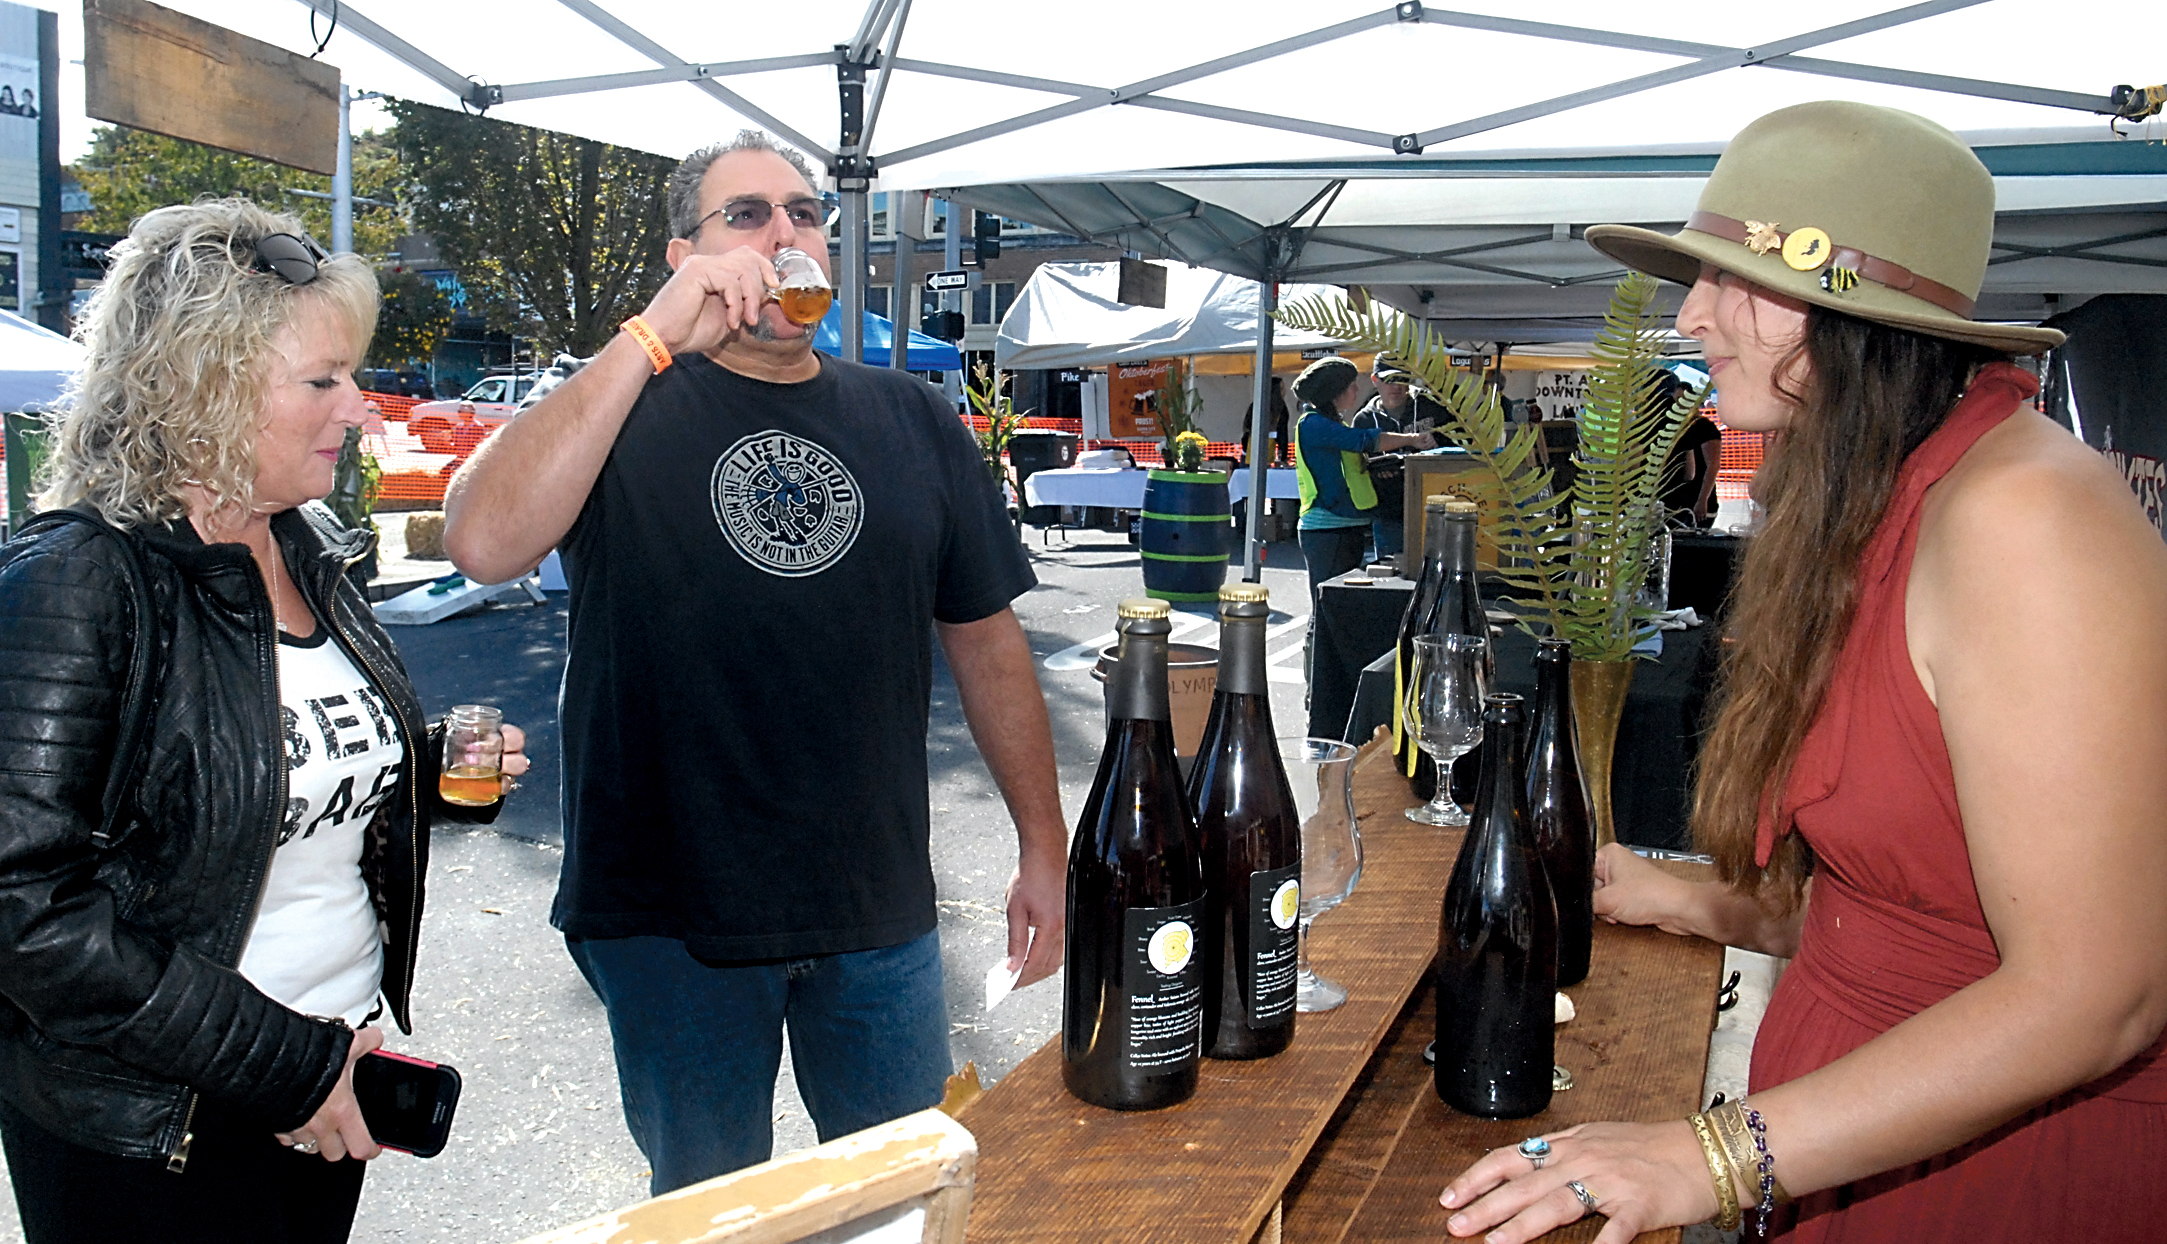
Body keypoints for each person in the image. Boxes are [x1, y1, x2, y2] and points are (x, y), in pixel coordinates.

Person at [1437, 101, 2167, 1244]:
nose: (1691, 316)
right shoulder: (1875, 496)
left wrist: (1706, 1154)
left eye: (1735, 282)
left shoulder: (2027, 513)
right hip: (1853, 1138)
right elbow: (1916, 903)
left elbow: (2101, 991)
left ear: (1854, 313)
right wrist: (1686, 895)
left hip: (2002, 1175)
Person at [440, 130, 1067, 1195]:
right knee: (709, 1208)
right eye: (746, 215)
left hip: (874, 907)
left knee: (906, 1195)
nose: (784, 235)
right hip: (669, 914)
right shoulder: (621, 405)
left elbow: (988, 642)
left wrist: (1043, 849)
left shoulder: (911, 415)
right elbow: (482, 540)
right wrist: (649, 339)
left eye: (803, 212)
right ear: (685, 255)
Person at [0, 199, 529, 1243]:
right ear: (200, 385)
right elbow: (23, 908)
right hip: (156, 1127)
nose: (362, 409)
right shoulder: (76, 578)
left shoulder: (307, 544)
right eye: (322, 380)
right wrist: (283, 1062)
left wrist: (412, 774)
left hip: (334, 1082)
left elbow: (243, 777)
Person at [1291, 355, 1432, 608]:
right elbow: (1364, 440)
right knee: (1327, 606)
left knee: (1340, 605)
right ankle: (1316, 648)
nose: (1357, 390)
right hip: (1327, 529)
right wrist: (1411, 438)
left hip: (1343, 526)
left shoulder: (1331, 422)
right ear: (1335, 392)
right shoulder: (1314, 424)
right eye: (1351, 385)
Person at [1350, 354, 1449, 560]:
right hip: (1389, 511)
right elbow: (1358, 466)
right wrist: (1378, 471)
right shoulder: (1364, 419)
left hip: (1434, 508)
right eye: (1389, 380)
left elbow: (1457, 445)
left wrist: (1438, 444)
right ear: (1375, 380)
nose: (1396, 387)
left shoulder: (1431, 406)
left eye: (1402, 379)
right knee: (1391, 573)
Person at [1651, 370, 1723, 529]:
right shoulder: (1674, 426)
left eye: (1683, 400)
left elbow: (1712, 466)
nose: (1678, 405)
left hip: (1697, 499)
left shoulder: (1704, 427)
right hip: (1679, 499)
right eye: (1676, 400)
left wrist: (1702, 500)